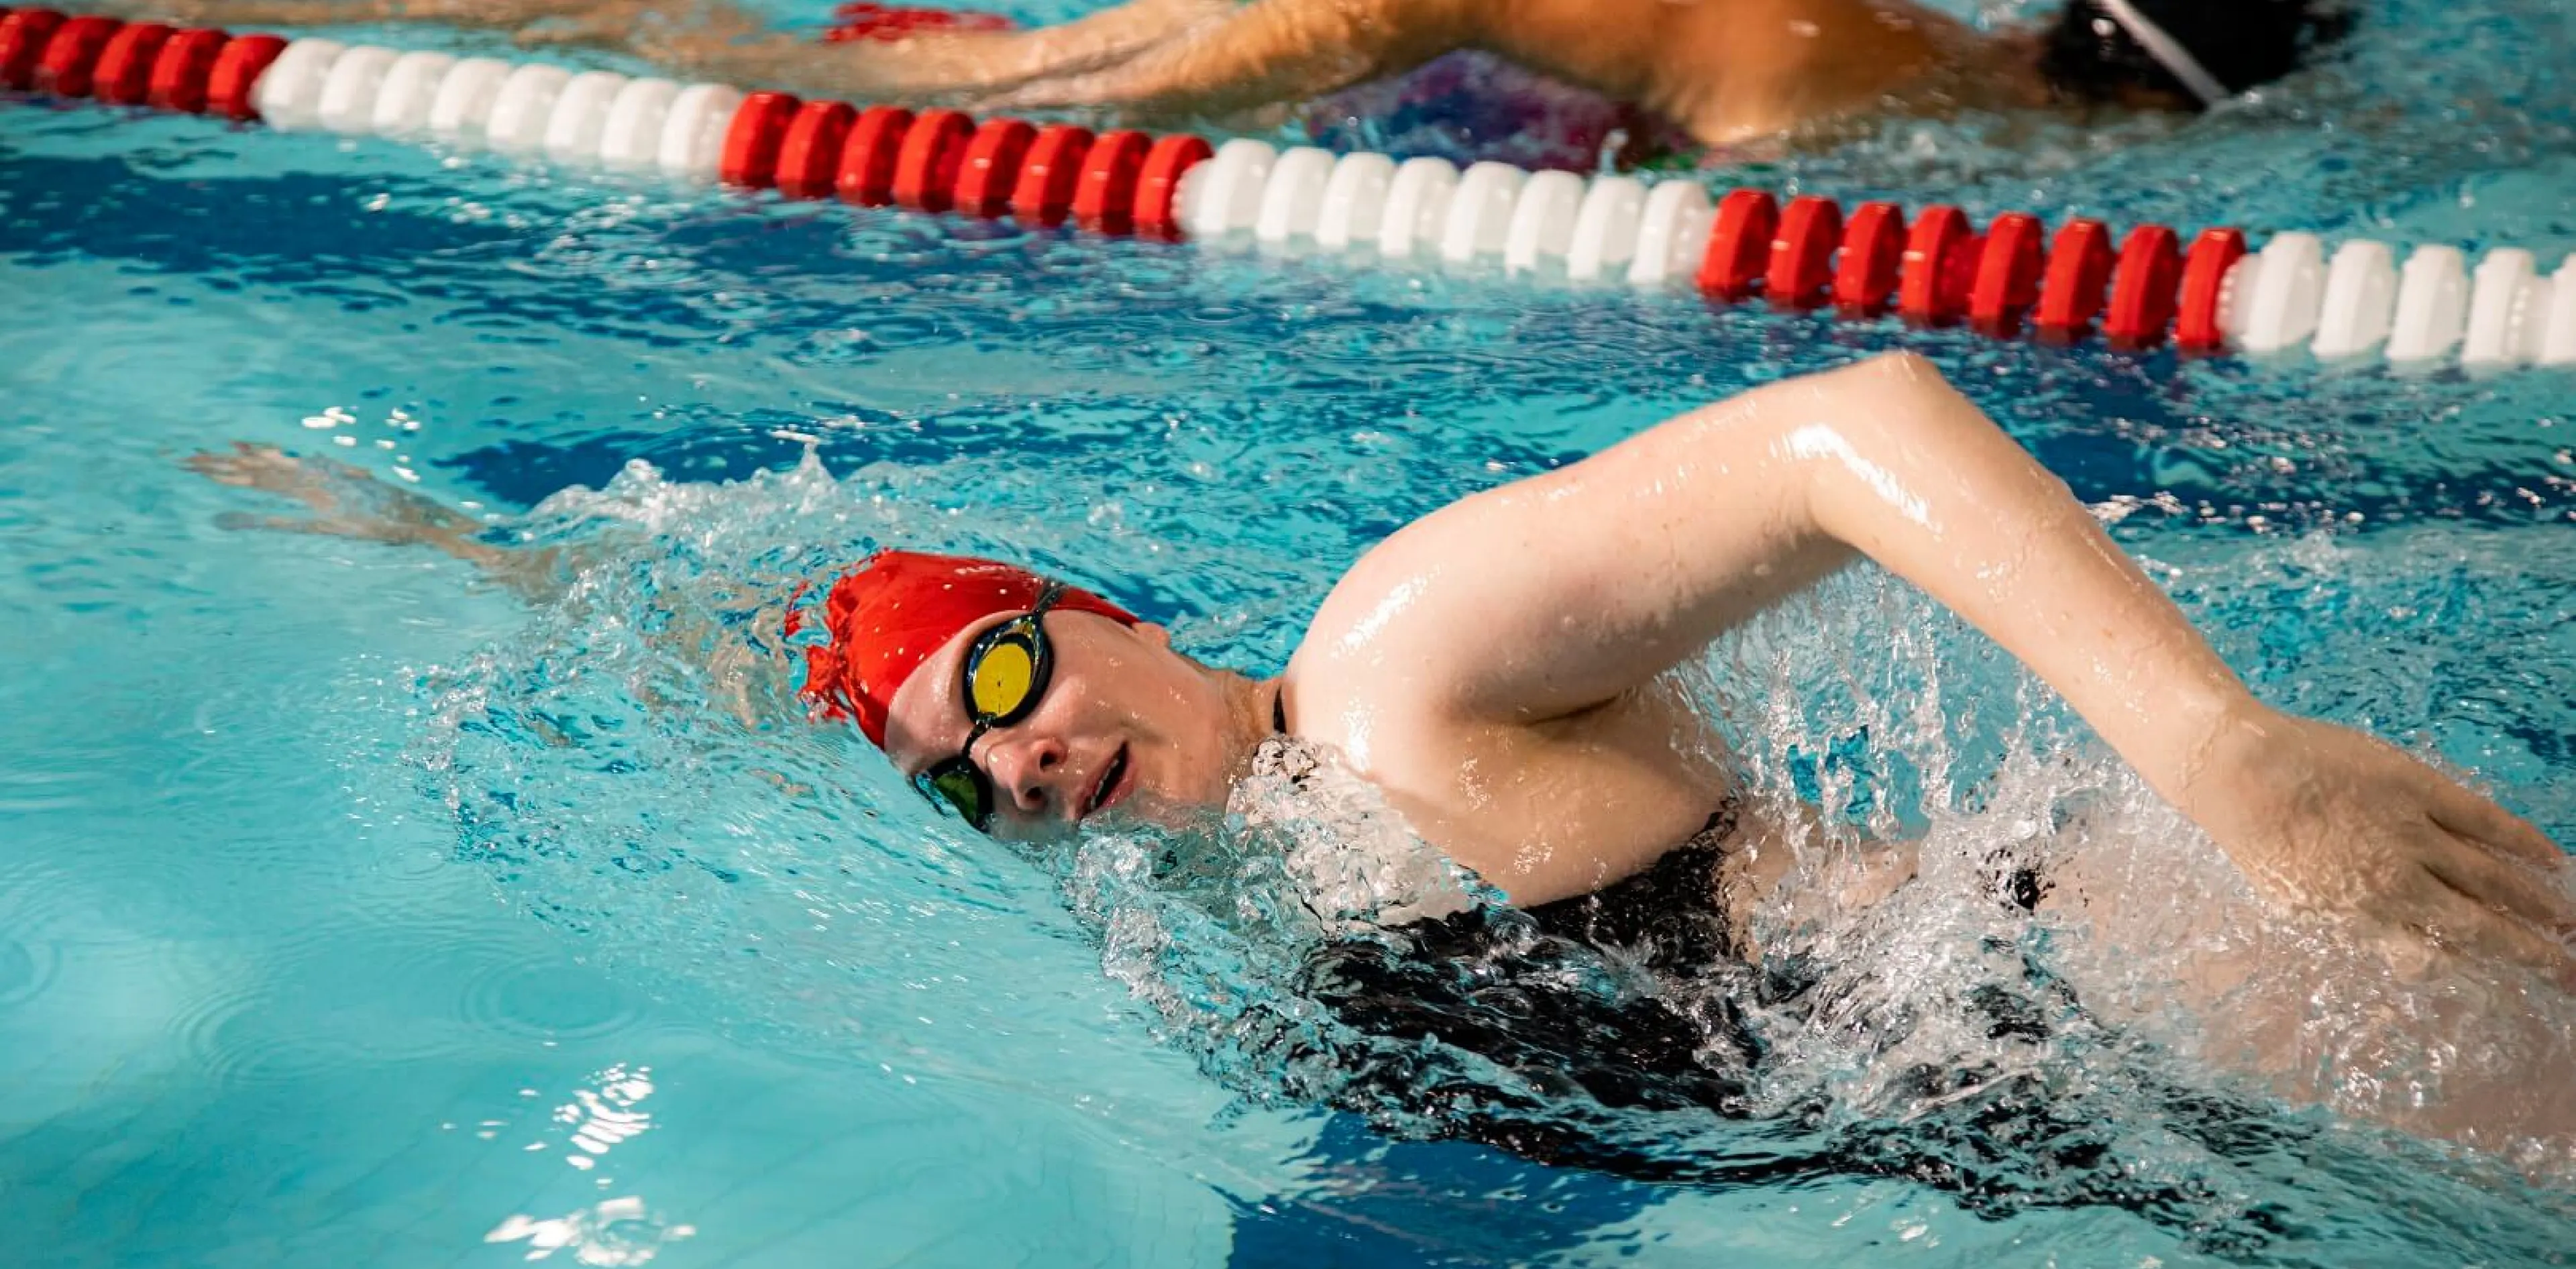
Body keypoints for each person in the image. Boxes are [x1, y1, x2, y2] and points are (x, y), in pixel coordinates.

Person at [195, 352, 2576, 1176]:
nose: (1004, 774)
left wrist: (2232, 752)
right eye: (954, 782)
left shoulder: (1391, 669)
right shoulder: (1245, 870)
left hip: (2148, 957)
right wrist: (445, 559)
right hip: (2072, 1123)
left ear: (1104, 617)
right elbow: (732, 665)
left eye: (1006, 691)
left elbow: (1850, 433)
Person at [146, 0, 2355, 151]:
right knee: (1002, 112)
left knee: (994, 77)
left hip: (1420, 45)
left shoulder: (1907, 60)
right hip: (1390, 20)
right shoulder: (1843, 90)